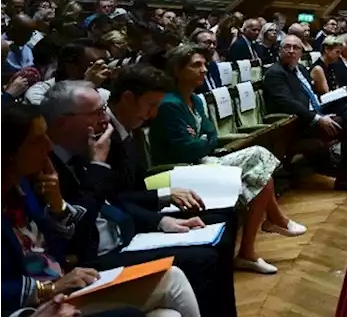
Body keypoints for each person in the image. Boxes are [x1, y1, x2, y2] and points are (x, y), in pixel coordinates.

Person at [40, 82, 233, 315]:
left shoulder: (84, 149)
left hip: (124, 234)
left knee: (217, 235)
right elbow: (77, 229)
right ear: (63, 122)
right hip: (93, 258)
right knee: (202, 260)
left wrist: (160, 222)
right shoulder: (46, 167)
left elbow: (114, 201)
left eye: (104, 110)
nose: (105, 119)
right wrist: (98, 166)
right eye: (97, 112)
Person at [0, 101, 199, 316]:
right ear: (7, 152)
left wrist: (57, 204)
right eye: (37, 140)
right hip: (34, 303)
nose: (48, 145)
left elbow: (59, 246)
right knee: (173, 280)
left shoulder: (24, 186)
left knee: (167, 315)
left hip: (64, 282)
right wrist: (48, 288)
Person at [149, 44, 304, 274]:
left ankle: (250, 250)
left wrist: (202, 140)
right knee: (259, 158)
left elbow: (212, 135)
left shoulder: (197, 100)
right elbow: (186, 150)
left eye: (204, 64)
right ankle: (270, 224)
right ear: (177, 70)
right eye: (196, 65)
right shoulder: (170, 105)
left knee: (264, 179)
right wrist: (203, 141)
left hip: (203, 162)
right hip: (178, 173)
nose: (204, 70)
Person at [262, 34, 347, 192]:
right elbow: (287, 103)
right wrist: (318, 119)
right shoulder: (276, 73)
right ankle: (345, 178)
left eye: (296, 48)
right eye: (287, 47)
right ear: (280, 50)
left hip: (313, 114)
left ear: (301, 52)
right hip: (295, 124)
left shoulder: (301, 70)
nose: (291, 51)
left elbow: (312, 96)